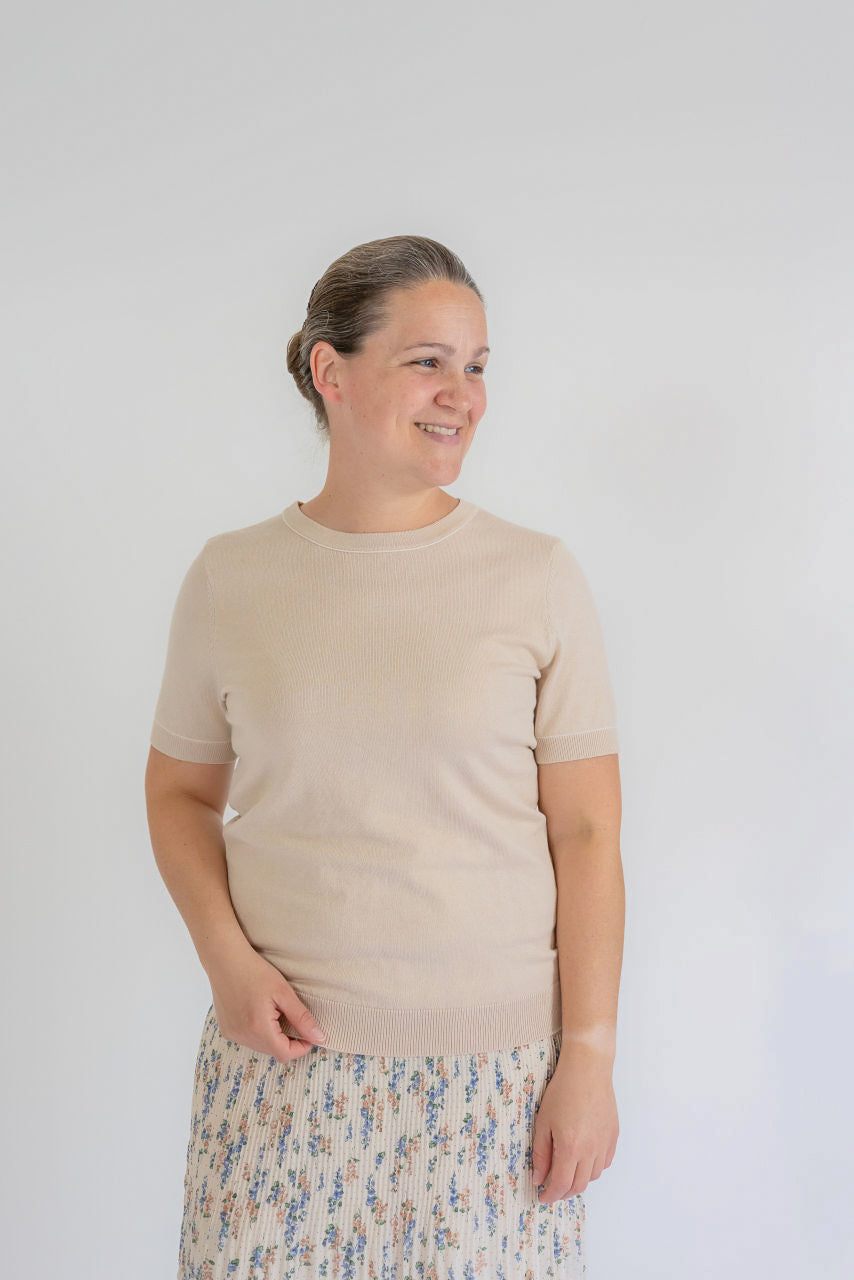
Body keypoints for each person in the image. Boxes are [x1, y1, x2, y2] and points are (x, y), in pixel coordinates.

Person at [145, 233, 624, 1279]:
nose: (462, 395)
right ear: (332, 370)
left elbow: (588, 831)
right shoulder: (231, 579)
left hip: (495, 1086)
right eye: (427, 361)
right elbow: (179, 792)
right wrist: (226, 961)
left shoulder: (535, 576)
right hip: (280, 1073)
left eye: (477, 365)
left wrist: (587, 1055)